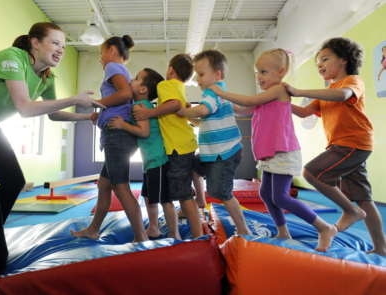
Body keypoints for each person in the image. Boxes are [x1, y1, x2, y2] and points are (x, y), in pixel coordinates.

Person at [0, 22, 103, 281]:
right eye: (55, 43)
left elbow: (53, 113)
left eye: (64, 46)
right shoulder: (12, 58)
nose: (60, 50)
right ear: (35, 42)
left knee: (14, 180)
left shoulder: (46, 76)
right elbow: (24, 108)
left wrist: (86, 117)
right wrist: (73, 99)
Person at [209, 48, 337, 252]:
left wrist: (222, 92)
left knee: (280, 197)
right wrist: (221, 102)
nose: (259, 76)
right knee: (266, 194)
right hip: (271, 154)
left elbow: (248, 101)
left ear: (280, 72)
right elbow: (243, 110)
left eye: (263, 72)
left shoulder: (279, 90)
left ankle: (324, 227)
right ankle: (283, 231)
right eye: (257, 72)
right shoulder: (266, 97)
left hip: (283, 152)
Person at [283, 37, 386, 256]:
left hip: (353, 143)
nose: (319, 64)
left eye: (324, 59)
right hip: (347, 145)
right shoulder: (327, 92)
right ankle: (381, 248)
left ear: (343, 60)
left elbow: (343, 95)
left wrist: (300, 91)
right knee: (365, 199)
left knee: (310, 173)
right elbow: (303, 112)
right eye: (317, 62)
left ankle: (350, 211)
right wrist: (279, 101)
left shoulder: (351, 81)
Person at [70, 35, 149, 243]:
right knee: (104, 186)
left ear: (112, 50)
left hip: (118, 135)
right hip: (119, 133)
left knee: (120, 186)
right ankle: (94, 229)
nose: (100, 58)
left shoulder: (112, 67)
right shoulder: (121, 69)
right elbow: (122, 100)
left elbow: (123, 95)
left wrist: (98, 103)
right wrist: (102, 114)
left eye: (101, 53)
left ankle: (141, 236)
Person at [176, 49, 252, 236]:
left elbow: (202, 112)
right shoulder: (217, 95)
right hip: (213, 152)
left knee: (222, 193)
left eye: (201, 74)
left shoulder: (213, 91)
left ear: (217, 75)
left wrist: (184, 111)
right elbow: (202, 120)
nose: (198, 79)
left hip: (224, 152)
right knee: (191, 168)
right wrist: (188, 117)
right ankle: (199, 201)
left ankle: (243, 229)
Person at [133, 54, 203, 239]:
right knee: (181, 189)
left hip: (178, 147)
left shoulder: (165, 85)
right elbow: (180, 108)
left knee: (183, 195)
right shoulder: (180, 87)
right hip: (184, 143)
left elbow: (175, 104)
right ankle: (193, 209)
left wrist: (149, 112)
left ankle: (198, 236)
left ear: (170, 70)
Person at [108, 68, 181, 240]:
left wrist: (123, 125)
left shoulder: (141, 106)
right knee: (148, 197)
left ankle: (174, 233)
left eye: (136, 78)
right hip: (149, 162)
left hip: (158, 160)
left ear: (143, 89)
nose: (131, 80)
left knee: (165, 200)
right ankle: (154, 227)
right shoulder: (138, 105)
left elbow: (144, 132)